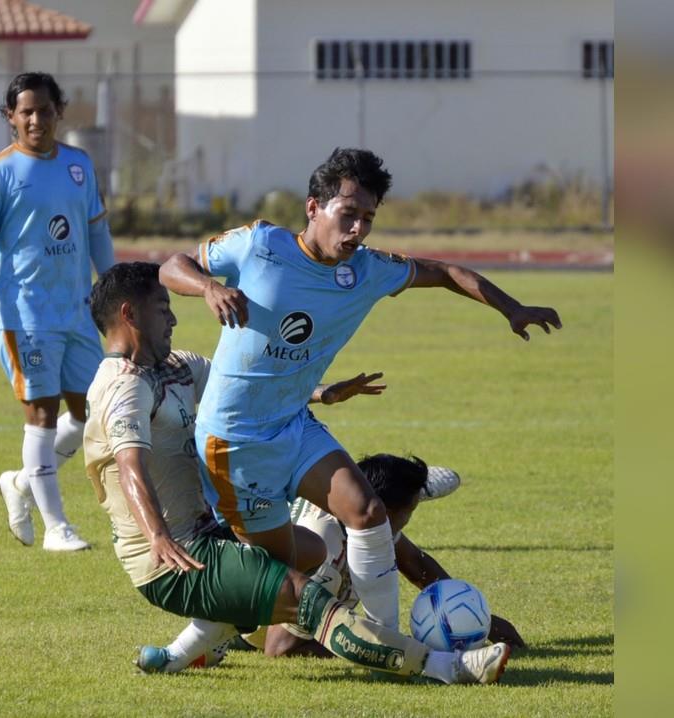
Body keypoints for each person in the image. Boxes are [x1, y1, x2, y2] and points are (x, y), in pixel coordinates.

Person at [159, 147, 562, 629]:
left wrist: (510, 308)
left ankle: (388, 639)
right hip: (234, 440)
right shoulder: (258, 244)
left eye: (368, 218)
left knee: (368, 512)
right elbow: (171, 265)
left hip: (293, 424)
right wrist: (207, 286)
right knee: (284, 570)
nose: (358, 230)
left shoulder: (366, 270)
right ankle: (210, 635)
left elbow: (447, 273)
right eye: (348, 215)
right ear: (314, 208)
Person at [82, 262, 511, 684]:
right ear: (129, 315)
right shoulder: (122, 386)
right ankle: (449, 668)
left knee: (308, 550)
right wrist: (158, 536)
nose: (173, 317)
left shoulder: (176, 366)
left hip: (210, 529)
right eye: (162, 307)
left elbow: (248, 389)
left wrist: (324, 393)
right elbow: (129, 467)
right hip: (172, 559)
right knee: (310, 602)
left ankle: (181, 655)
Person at [0, 72, 116, 552]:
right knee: (42, 413)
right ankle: (57, 527)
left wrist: (114, 292)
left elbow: (96, 233)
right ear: (11, 117)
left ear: (59, 113)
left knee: (91, 411)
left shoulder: (78, 165)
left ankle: (22, 483)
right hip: (24, 313)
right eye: (26, 111)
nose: (36, 119)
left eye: (44, 110)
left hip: (77, 311)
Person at [258, 454, 528, 658]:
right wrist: (376, 645)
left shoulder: (355, 510)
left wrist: (481, 621)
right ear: (384, 510)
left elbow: (414, 562)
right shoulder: (323, 551)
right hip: (252, 630)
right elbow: (279, 647)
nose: (410, 517)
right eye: (410, 509)